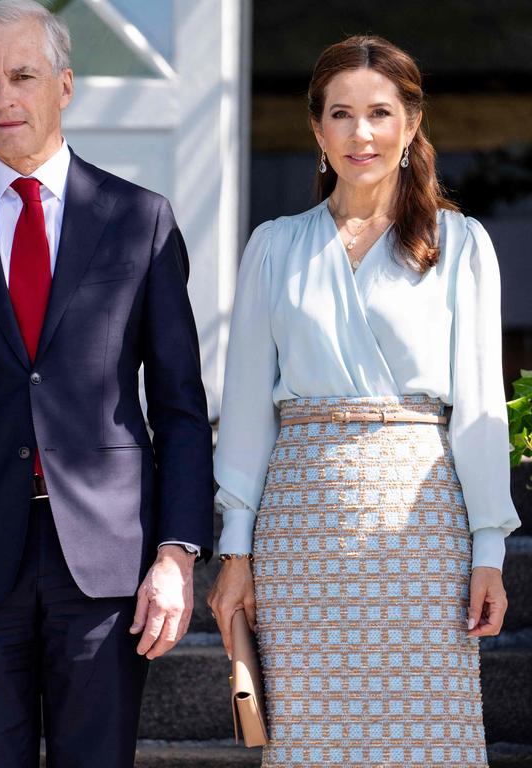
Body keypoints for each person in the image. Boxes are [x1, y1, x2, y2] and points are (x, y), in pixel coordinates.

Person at [0, 1, 213, 765]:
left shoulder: (140, 220)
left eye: (22, 76)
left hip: (106, 563)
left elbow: (182, 409)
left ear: (65, 84)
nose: (4, 99)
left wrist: (177, 553)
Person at [207, 35, 519, 767]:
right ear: (317, 130)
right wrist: (235, 549)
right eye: (341, 114)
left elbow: (480, 407)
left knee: (426, 739)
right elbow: (248, 408)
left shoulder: (461, 245)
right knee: (310, 741)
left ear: (411, 124)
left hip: (422, 532)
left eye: (380, 112)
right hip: (300, 529)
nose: (362, 133)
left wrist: (489, 548)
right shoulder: (275, 247)